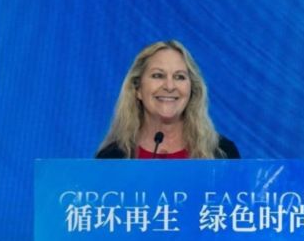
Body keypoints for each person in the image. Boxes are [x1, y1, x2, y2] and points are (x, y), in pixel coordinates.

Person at [96, 40, 239, 159]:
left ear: (192, 90)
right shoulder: (111, 158)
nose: (170, 86)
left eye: (179, 77)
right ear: (137, 89)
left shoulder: (222, 154)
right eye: (158, 75)